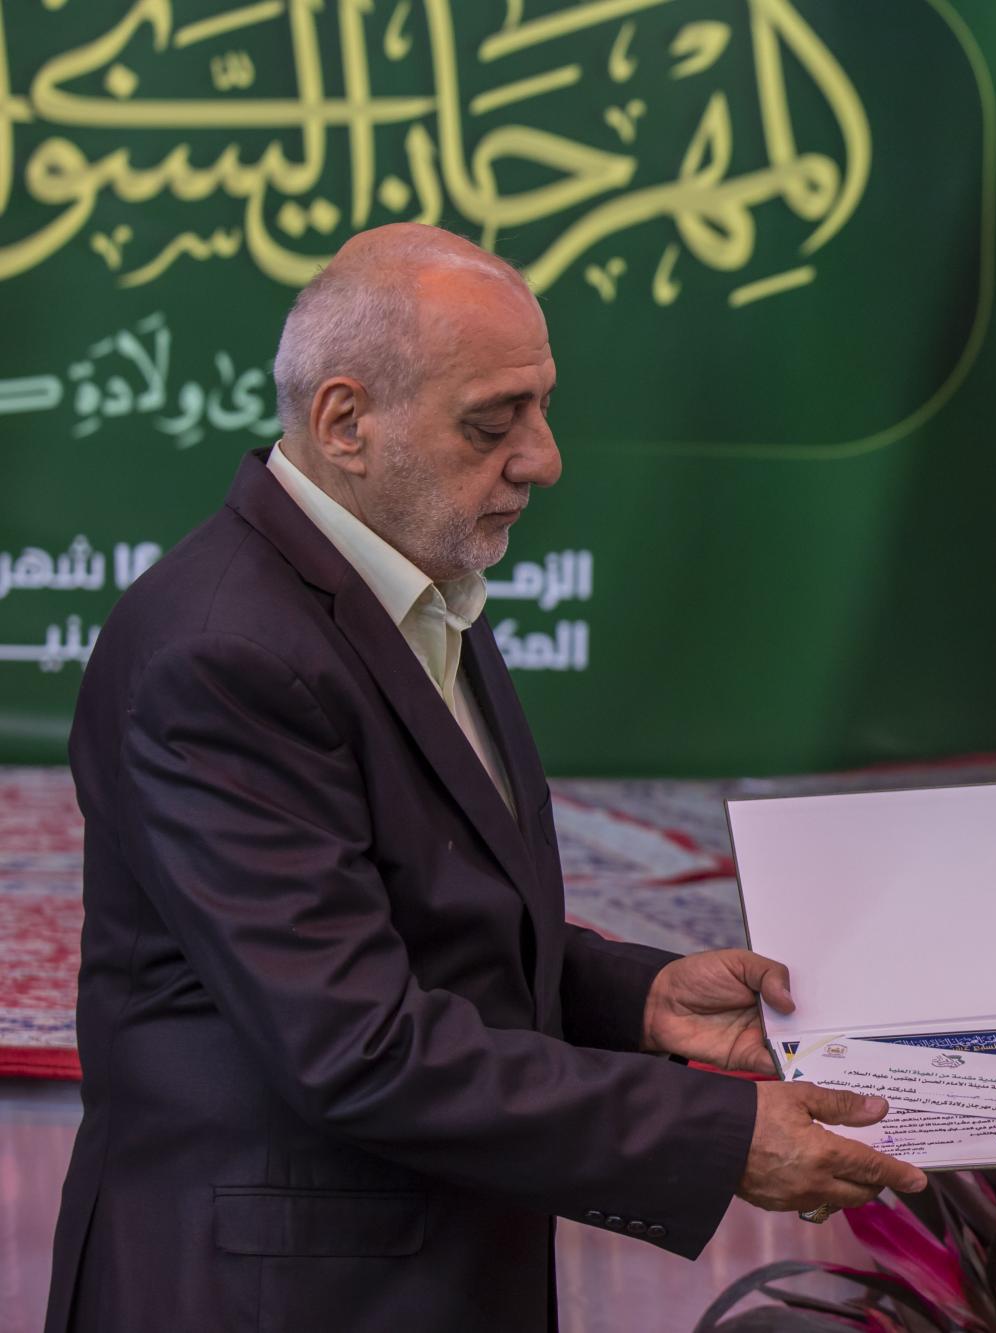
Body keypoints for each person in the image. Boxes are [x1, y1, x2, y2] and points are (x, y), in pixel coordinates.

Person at [45, 224, 925, 1333]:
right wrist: (717, 1135)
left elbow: (423, 920)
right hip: (274, 1294)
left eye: (543, 408)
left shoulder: (413, 580)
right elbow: (356, 1044)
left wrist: (639, 999)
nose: (543, 458)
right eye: (492, 422)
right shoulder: (222, 652)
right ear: (345, 422)